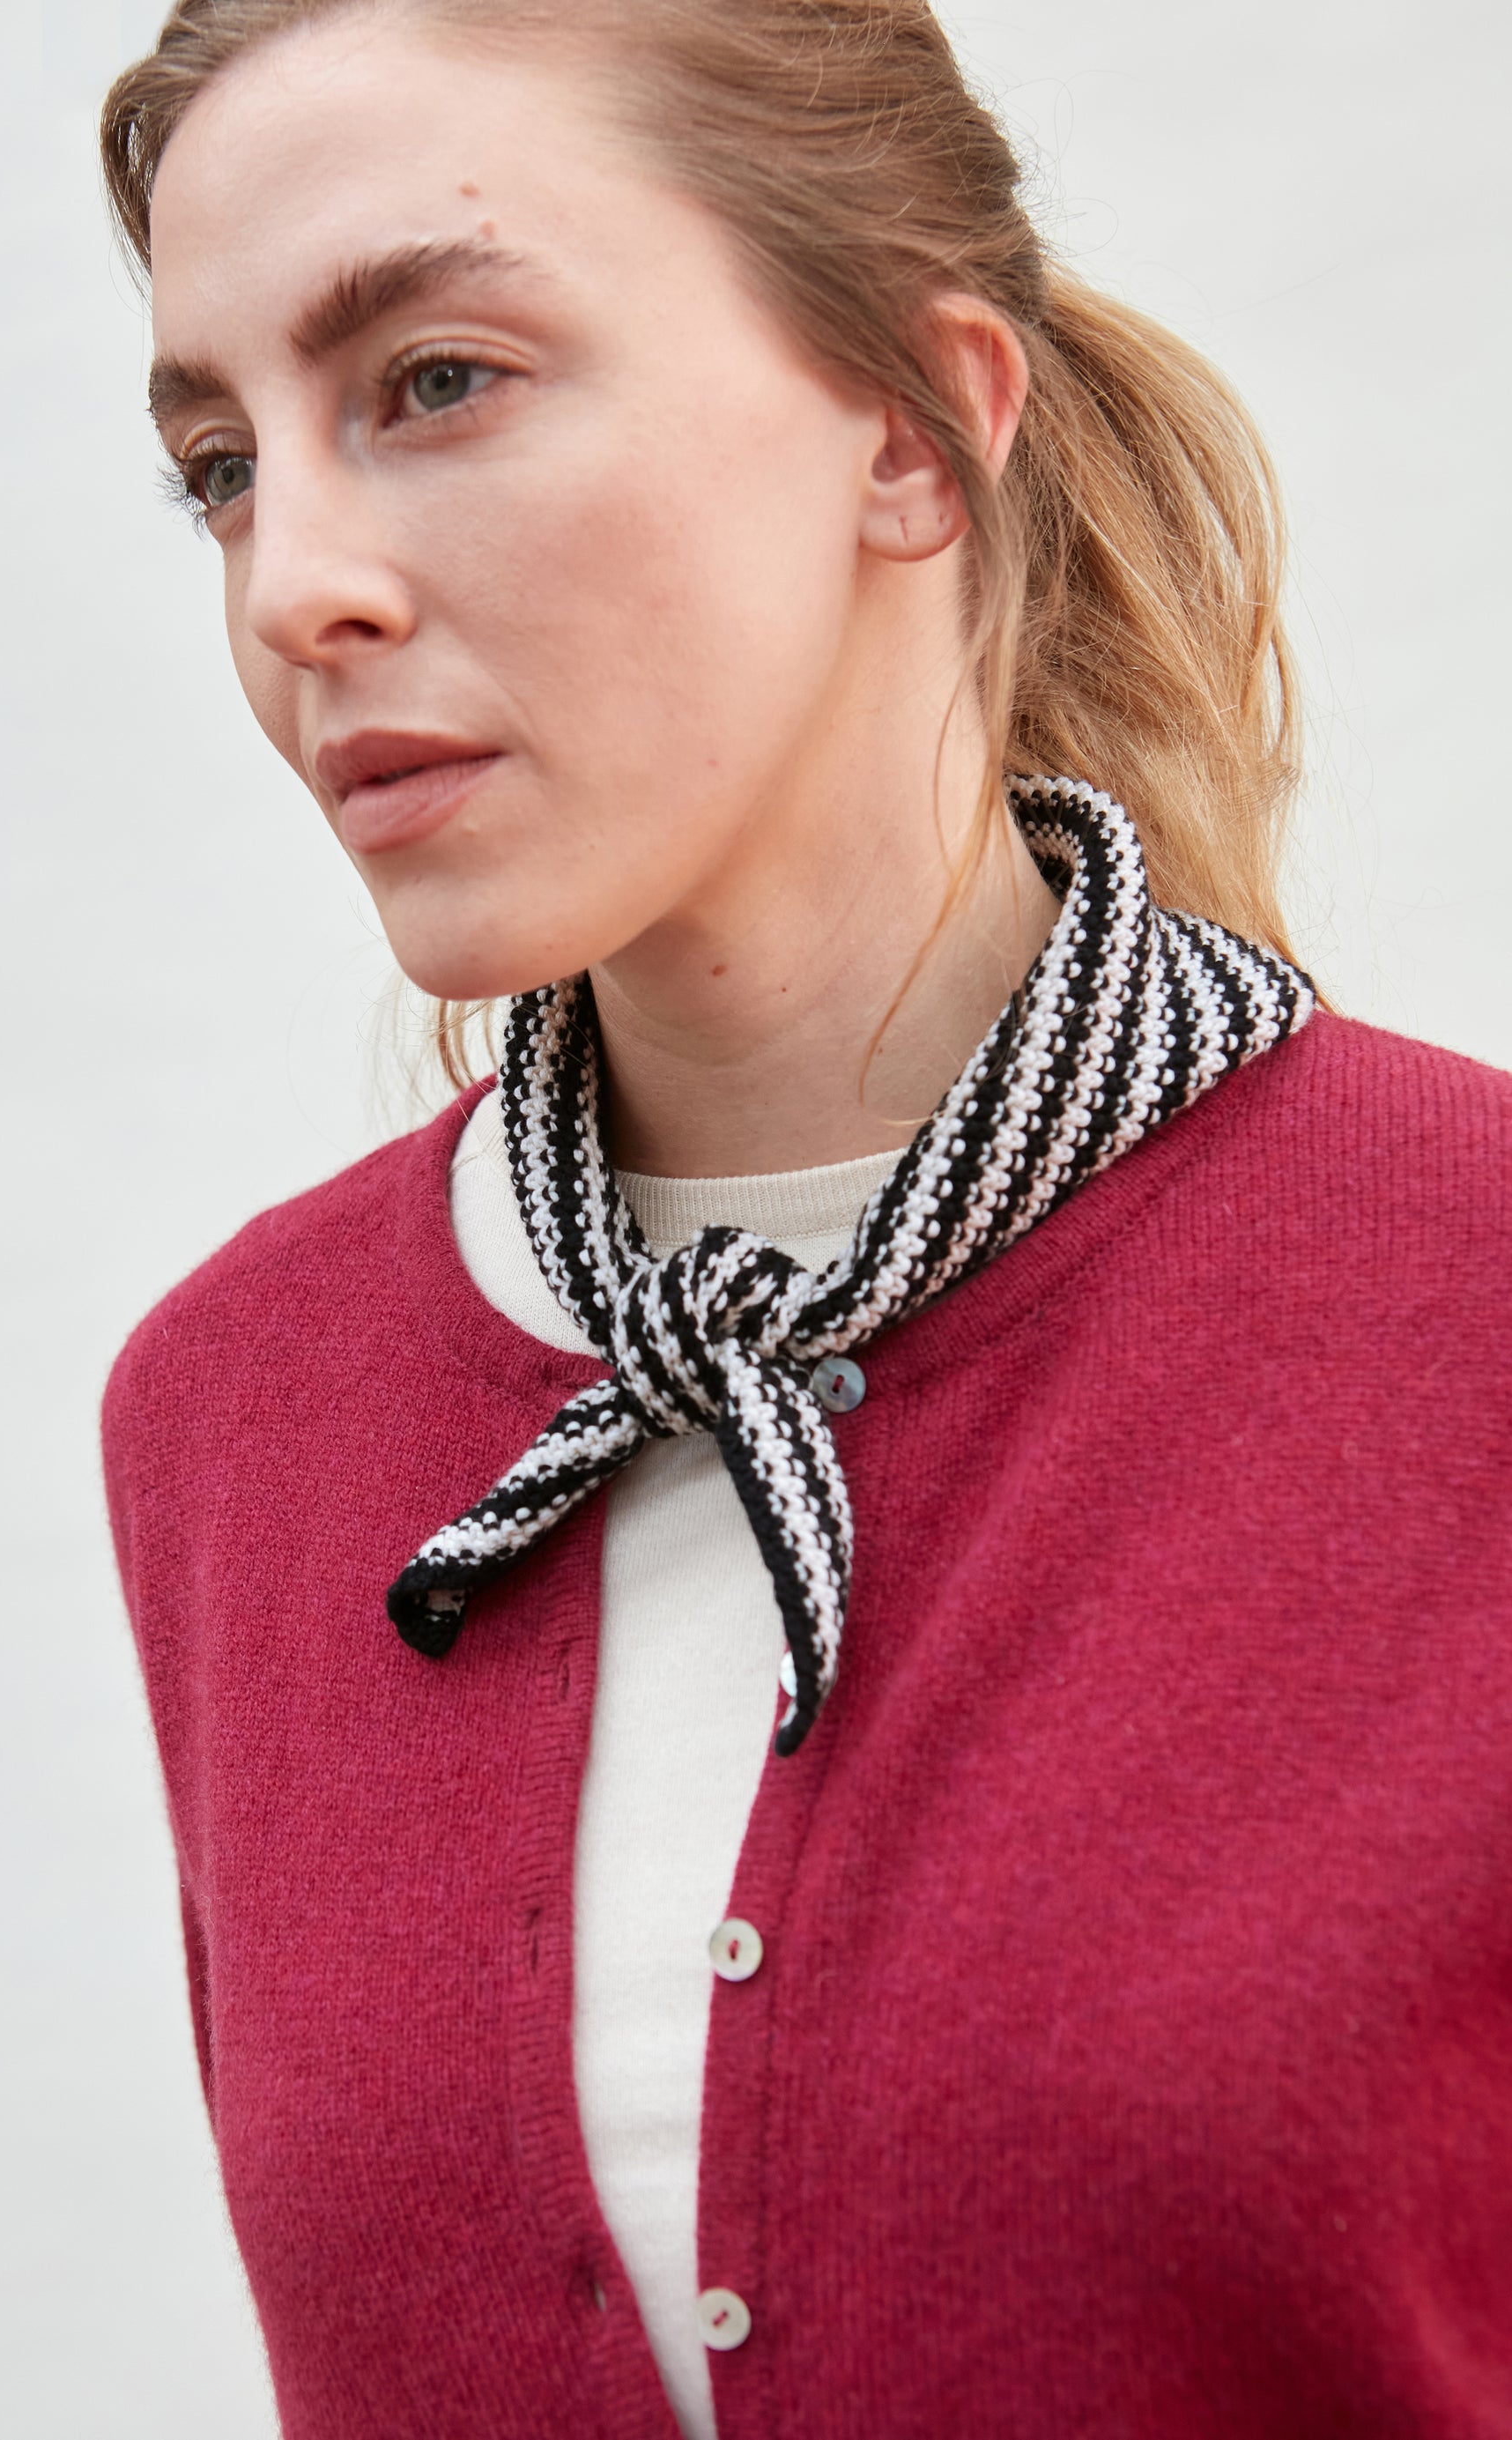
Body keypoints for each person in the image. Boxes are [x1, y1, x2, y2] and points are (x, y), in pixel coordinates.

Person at [97, 4, 1512, 2435]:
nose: (292, 584)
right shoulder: (237, 1413)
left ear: (916, 422)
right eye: (220, 465)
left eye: (435, 379)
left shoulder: (1468, 1304)